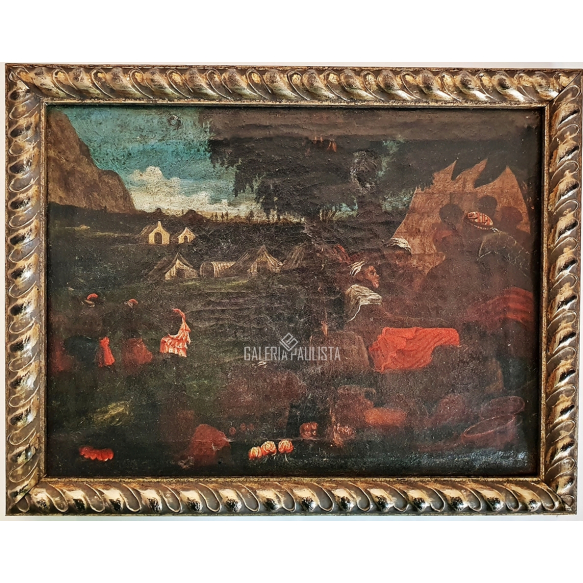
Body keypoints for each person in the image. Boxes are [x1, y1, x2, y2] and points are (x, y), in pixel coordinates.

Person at [121, 299, 153, 374]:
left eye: (130, 304)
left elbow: (135, 325)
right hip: (131, 336)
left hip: (133, 336)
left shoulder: (134, 314)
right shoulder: (129, 314)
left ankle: (136, 369)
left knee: (135, 352)